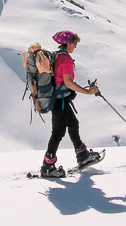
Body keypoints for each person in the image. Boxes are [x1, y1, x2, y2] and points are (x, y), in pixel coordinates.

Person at [39, 30, 103, 177]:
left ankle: (82, 155)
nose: (75, 46)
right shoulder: (65, 59)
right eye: (74, 43)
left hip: (58, 99)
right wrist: (88, 92)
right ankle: (47, 167)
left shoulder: (56, 55)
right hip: (60, 100)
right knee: (58, 132)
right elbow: (68, 82)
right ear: (67, 43)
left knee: (73, 125)